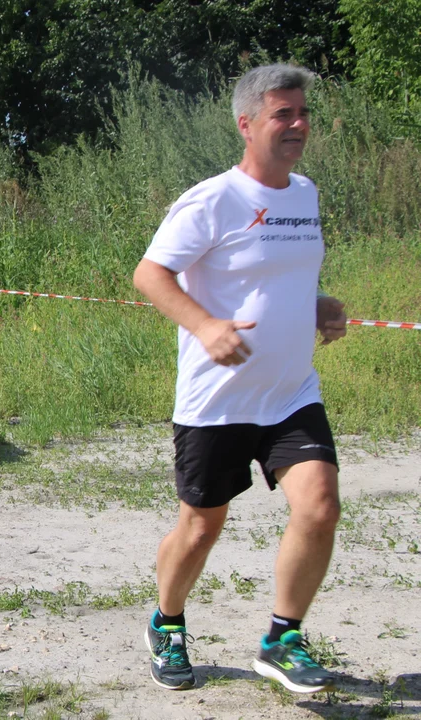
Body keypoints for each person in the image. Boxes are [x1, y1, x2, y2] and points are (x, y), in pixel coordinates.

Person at [132, 63, 348, 694]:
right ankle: (167, 622)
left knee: (321, 506)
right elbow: (150, 275)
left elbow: (281, 274)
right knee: (200, 528)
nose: (299, 125)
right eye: (284, 114)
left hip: (290, 393)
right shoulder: (212, 200)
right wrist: (204, 326)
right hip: (217, 401)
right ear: (246, 124)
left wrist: (319, 304)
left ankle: (283, 638)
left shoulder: (304, 193)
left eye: (303, 112)